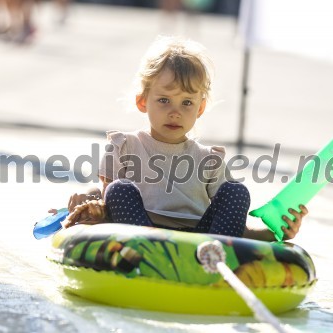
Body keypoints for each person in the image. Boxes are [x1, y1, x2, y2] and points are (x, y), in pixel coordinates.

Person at [58, 37, 307, 241]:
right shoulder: (124, 147)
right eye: (164, 100)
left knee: (236, 191)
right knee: (118, 189)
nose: (175, 112)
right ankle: (151, 253)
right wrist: (87, 202)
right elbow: (106, 205)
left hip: (200, 242)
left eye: (187, 102)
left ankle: (218, 257)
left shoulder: (209, 160)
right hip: (141, 235)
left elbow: (230, 224)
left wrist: (276, 233)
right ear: (143, 101)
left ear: (200, 108)